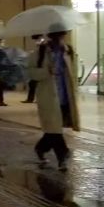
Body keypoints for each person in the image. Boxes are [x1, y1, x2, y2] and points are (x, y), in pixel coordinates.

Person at [32, 31, 80, 170]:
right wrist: (46, 71)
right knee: (55, 129)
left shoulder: (68, 51)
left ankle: (41, 148)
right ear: (50, 37)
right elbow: (31, 72)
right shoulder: (40, 52)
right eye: (55, 37)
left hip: (65, 96)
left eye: (61, 36)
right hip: (48, 96)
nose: (58, 40)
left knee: (54, 129)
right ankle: (62, 154)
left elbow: (73, 72)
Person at [23, 34, 43, 103]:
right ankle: (31, 99)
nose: (35, 41)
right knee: (32, 84)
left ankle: (31, 99)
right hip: (36, 67)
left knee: (34, 84)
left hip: (38, 67)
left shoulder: (41, 43)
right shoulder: (39, 43)